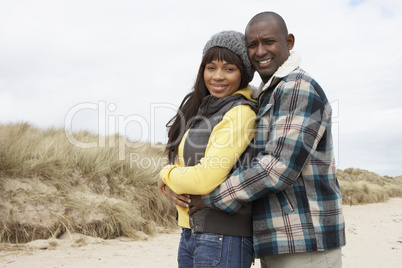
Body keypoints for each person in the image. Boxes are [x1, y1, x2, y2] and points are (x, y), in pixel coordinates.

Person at [189, 12, 346, 268]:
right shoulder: (267, 95)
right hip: (278, 239)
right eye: (253, 45)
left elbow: (277, 169)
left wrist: (209, 198)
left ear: (289, 42)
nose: (260, 51)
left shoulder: (297, 87)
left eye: (268, 42)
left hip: (305, 239)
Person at [158, 30, 257, 268]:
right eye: (211, 67)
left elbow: (205, 178)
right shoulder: (203, 110)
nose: (218, 76)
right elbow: (185, 167)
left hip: (223, 237)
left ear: (243, 73)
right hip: (191, 232)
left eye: (229, 69)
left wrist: (164, 175)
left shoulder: (240, 113)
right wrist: (170, 185)